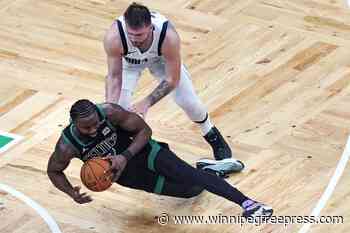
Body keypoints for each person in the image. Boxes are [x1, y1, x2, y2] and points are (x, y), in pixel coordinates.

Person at [47, 99, 273, 219]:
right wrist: (70, 191)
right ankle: (210, 170)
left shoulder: (111, 111)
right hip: (128, 176)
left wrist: (125, 156)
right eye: (87, 127)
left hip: (146, 153)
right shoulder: (67, 146)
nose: (95, 129)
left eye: (97, 123)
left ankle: (249, 204)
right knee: (191, 190)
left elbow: (145, 131)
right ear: (73, 123)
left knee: (190, 175)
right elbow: (53, 170)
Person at [103, 2, 243, 167]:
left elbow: (172, 80)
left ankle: (211, 133)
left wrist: (146, 102)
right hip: (129, 64)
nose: (134, 39)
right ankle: (132, 152)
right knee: (120, 110)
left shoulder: (168, 36)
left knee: (188, 102)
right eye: (131, 34)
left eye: (139, 35)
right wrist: (111, 110)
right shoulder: (114, 36)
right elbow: (114, 77)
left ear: (151, 28)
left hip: (161, 60)